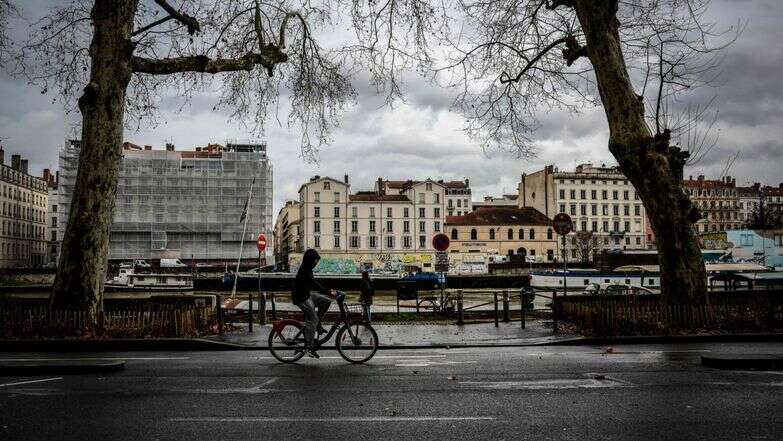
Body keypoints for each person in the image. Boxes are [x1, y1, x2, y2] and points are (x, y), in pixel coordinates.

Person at [292, 249, 334, 358]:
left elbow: (314, 283)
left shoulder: (308, 268)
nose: (316, 263)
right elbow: (314, 283)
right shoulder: (305, 269)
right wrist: (328, 291)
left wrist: (328, 291)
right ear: (310, 260)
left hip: (307, 295)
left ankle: (317, 324)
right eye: (315, 261)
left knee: (327, 301)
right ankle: (309, 347)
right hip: (301, 297)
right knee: (312, 319)